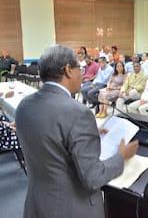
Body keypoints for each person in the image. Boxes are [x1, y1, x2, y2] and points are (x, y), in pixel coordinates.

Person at [15, 45, 138, 218]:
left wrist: (86, 131)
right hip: (72, 209)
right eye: (79, 69)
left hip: (37, 204)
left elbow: (49, 134)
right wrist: (121, 156)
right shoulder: (78, 113)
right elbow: (93, 177)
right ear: (67, 70)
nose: (82, 74)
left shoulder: (24, 106)